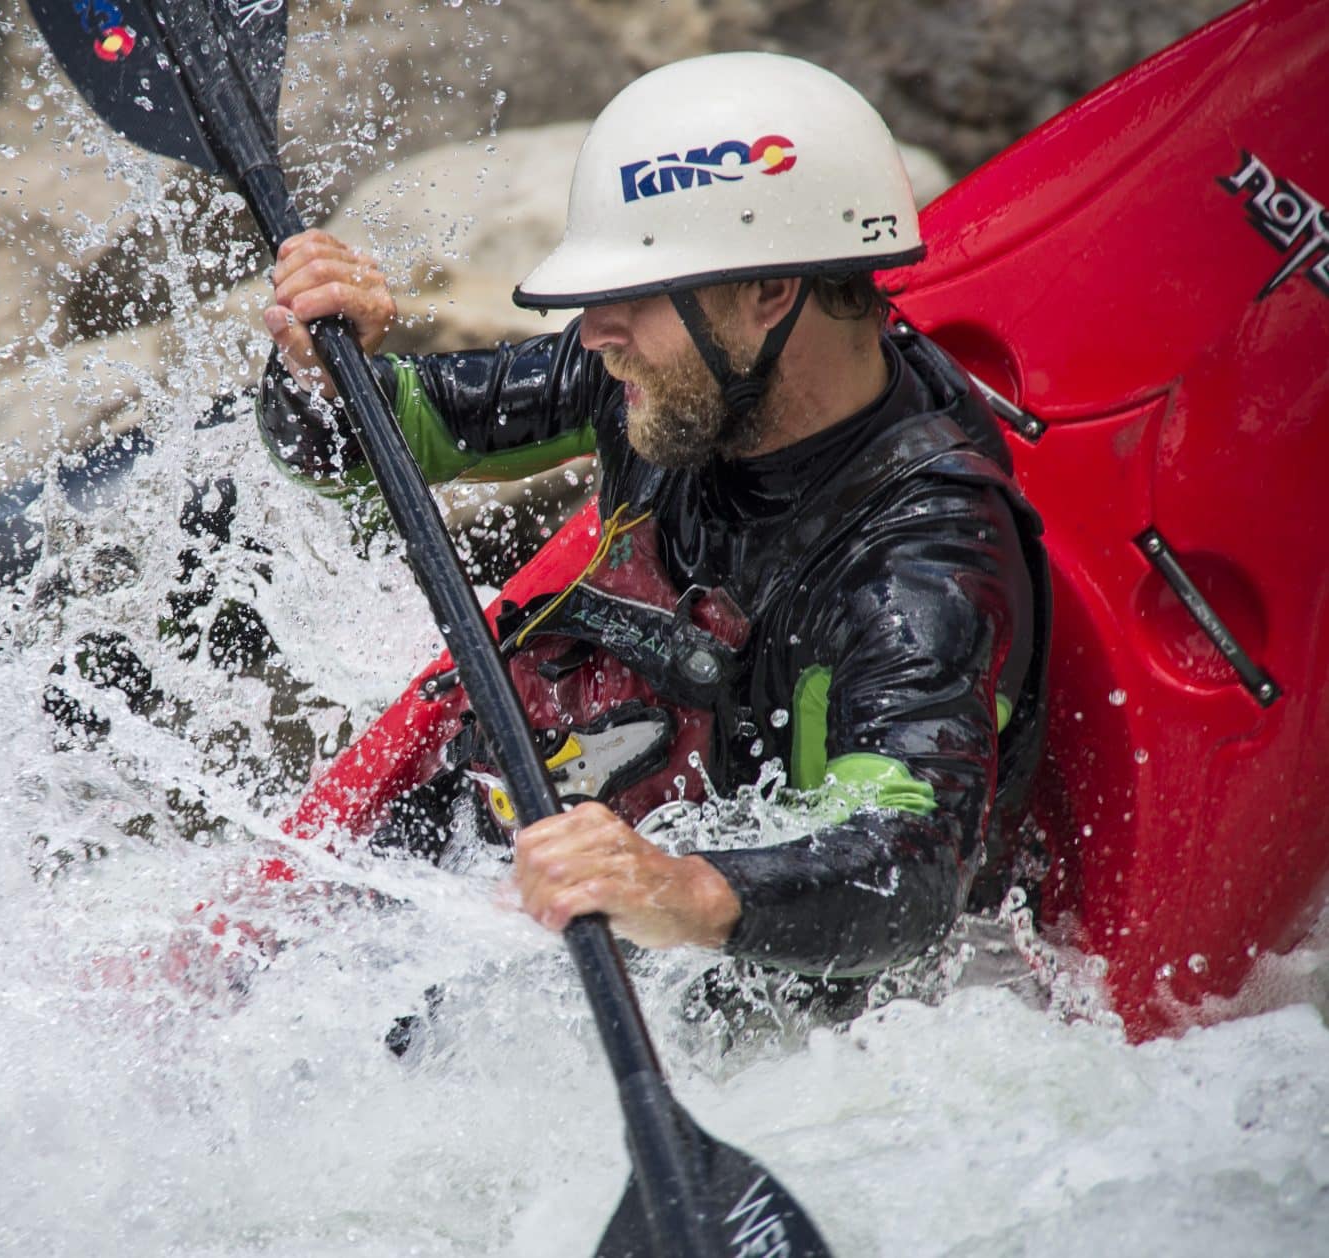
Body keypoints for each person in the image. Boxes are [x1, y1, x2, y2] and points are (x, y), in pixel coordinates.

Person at [256, 54, 1048, 980]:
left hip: (759, 1000)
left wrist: (682, 893)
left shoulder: (921, 565)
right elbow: (358, 446)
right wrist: (319, 370)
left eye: (632, 296)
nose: (592, 333)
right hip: (551, 855)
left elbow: (908, 880)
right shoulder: (667, 376)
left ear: (770, 292)